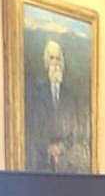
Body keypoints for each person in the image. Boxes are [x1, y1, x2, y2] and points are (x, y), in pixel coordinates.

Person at [26, 40, 90, 173]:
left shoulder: (70, 97)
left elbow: (74, 133)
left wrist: (61, 148)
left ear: (62, 62)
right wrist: (49, 149)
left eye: (58, 58)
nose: (55, 62)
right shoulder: (38, 94)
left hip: (66, 165)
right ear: (46, 62)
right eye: (51, 58)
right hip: (42, 164)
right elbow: (33, 131)